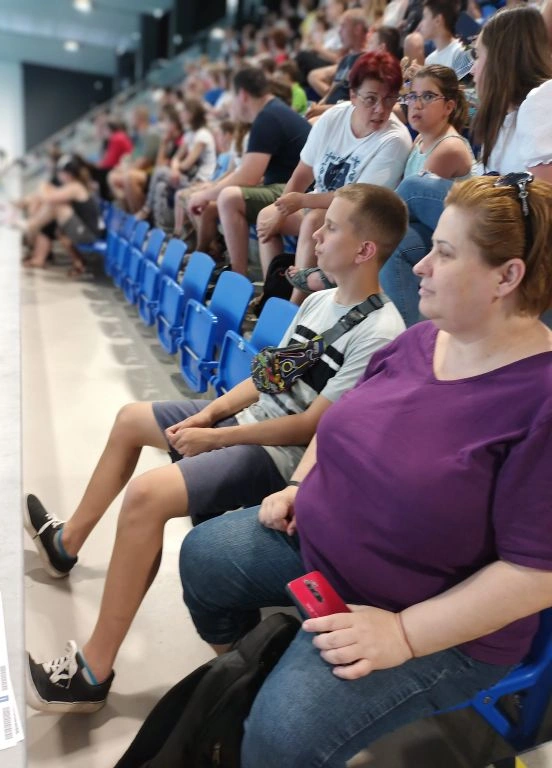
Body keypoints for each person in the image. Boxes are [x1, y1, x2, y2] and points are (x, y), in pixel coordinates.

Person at [178, 174, 552, 766]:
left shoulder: (541, 401)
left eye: (444, 253)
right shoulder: (420, 340)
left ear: (506, 277)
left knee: (282, 733)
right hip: (319, 548)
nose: (421, 266)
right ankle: (248, 670)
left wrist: (403, 635)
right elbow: (340, 420)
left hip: (421, 617)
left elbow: (535, 574)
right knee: (203, 556)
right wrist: (299, 485)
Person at [25, 184, 409, 713]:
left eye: (332, 227)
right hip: (252, 424)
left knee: (146, 498)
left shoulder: (382, 332)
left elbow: (311, 427)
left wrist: (217, 437)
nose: (316, 235)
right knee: (132, 419)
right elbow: (268, 377)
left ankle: (92, 672)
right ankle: (66, 543)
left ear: (365, 249)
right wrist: (208, 414)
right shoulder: (321, 300)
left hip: (285, 459)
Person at [380, 5, 552, 327]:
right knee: (400, 243)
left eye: (478, 55)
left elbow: (542, 200)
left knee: (415, 187)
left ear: (503, 57)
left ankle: (358, 243)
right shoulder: (504, 117)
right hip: (497, 222)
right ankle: (417, 344)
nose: (473, 68)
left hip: (525, 233)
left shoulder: (542, 100)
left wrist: (489, 190)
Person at [286, 62, 475, 300]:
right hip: (423, 227)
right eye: (413, 96)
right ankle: (329, 281)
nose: (416, 104)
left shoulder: (448, 148)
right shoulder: (421, 139)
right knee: (351, 222)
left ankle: (333, 275)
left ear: (449, 106)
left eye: (428, 96)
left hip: (453, 234)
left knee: (383, 231)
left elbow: (409, 207)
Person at [256, 51, 412, 301]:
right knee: (267, 217)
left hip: (357, 220)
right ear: (353, 95)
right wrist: (280, 210)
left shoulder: (395, 140)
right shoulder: (333, 117)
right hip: (319, 207)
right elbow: (303, 172)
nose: (380, 109)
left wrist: (302, 201)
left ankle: (296, 307)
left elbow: (357, 200)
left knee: (314, 220)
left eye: (389, 99)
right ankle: (273, 295)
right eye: (371, 99)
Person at [188, 67, 311, 275]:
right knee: (226, 200)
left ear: (243, 95)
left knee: (229, 198)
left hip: (298, 193)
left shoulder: (268, 117)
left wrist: (204, 195)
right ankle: (265, 285)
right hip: (289, 190)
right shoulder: (273, 112)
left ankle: (238, 277)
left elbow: (248, 177)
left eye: (233, 97)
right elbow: (247, 172)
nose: (231, 105)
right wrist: (208, 192)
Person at [19, 155, 103, 272]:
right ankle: (33, 234)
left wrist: (42, 186)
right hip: (84, 230)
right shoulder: (73, 185)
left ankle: (31, 226)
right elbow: (48, 196)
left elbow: (48, 198)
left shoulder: (75, 187)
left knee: (56, 207)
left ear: (67, 174)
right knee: (51, 212)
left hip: (88, 234)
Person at [307, 9, 368, 118]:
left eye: (343, 26)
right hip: (330, 113)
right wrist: (318, 106)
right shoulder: (345, 60)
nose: (339, 31)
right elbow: (330, 94)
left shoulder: (366, 61)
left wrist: (323, 110)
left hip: (343, 117)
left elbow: (359, 105)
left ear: (357, 29)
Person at [108, 106, 160, 212]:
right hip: (139, 170)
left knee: (128, 177)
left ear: (138, 118)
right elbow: (132, 157)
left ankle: (139, 214)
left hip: (151, 172)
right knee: (112, 176)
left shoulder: (152, 135)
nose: (130, 120)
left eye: (132, 117)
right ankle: (128, 212)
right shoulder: (139, 136)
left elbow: (145, 161)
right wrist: (124, 165)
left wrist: (126, 169)